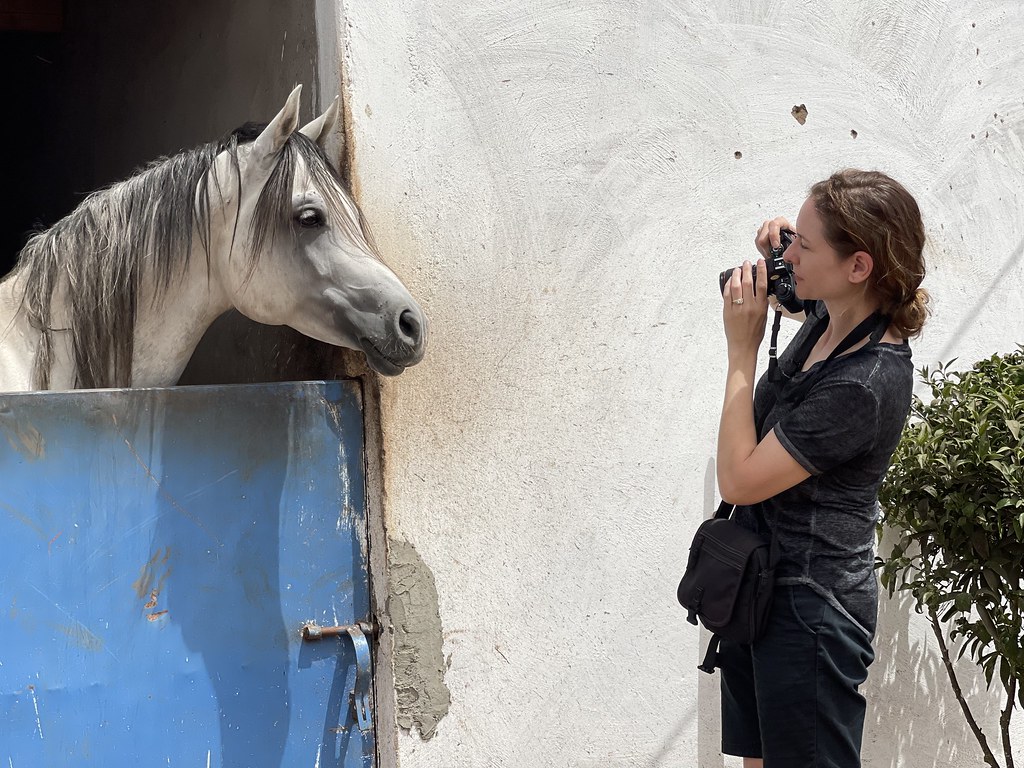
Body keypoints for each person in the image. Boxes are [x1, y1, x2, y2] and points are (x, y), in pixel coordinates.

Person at [715, 169, 929, 767]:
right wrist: (789, 243)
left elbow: (739, 478)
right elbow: (802, 280)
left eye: (806, 248)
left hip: (811, 613)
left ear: (859, 266)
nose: (792, 257)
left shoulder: (865, 384)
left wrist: (741, 352)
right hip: (756, 588)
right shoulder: (832, 318)